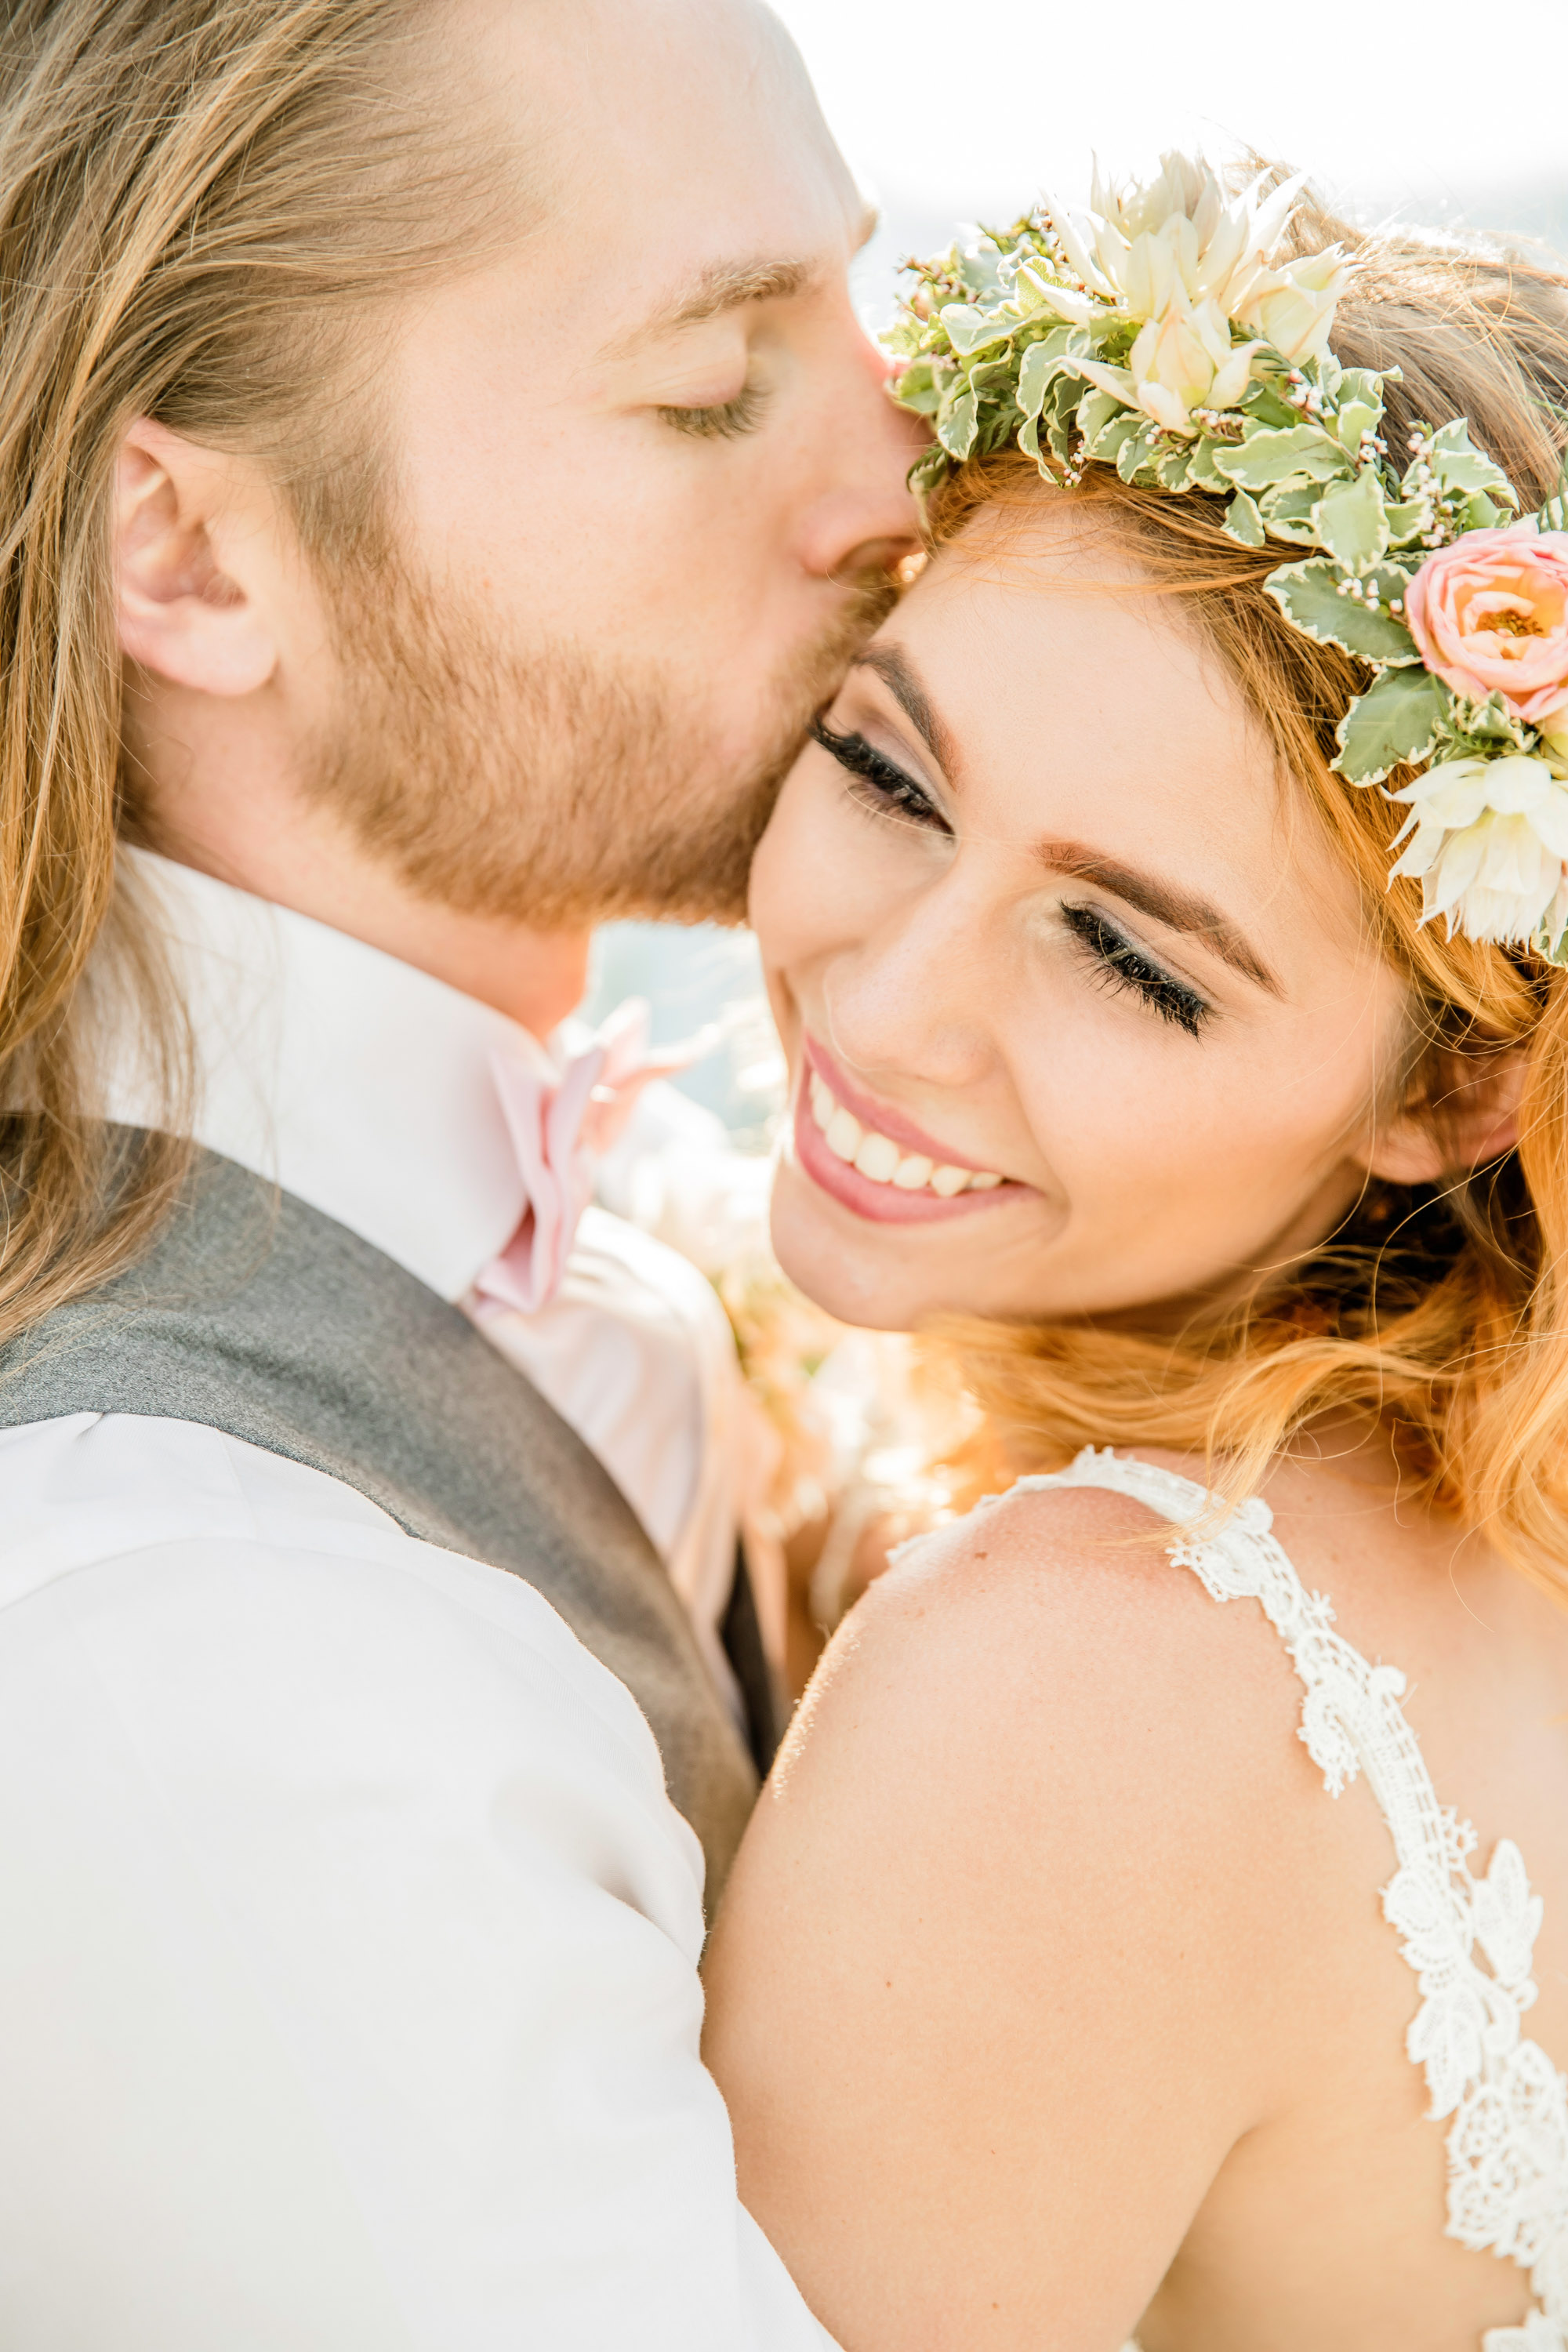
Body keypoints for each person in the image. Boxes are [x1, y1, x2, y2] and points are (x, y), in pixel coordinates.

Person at [0, 0, 917, 2342]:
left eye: (857, 300)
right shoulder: (188, 1638)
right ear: (191, 557)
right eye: (713, 387)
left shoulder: (575, 1254)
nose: (896, 481)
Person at [702, 159, 1568, 2349]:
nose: (885, 1008)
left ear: (1457, 1093)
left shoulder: (1085, 1677)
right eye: (889, 776)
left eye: (1122, 955)